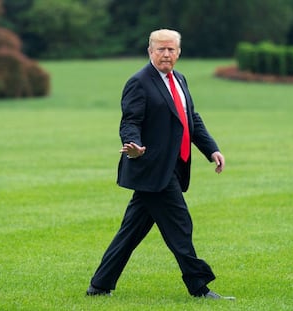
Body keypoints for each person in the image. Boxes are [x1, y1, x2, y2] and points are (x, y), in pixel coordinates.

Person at [86, 29, 234, 300]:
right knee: (180, 226)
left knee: (131, 232)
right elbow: (130, 120)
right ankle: (198, 287)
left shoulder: (179, 79)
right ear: (150, 51)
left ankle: (99, 284)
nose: (166, 54)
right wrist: (133, 144)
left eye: (171, 49)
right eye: (160, 49)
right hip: (152, 168)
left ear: (179, 52)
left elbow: (191, 119)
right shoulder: (139, 82)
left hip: (173, 168)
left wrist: (211, 149)